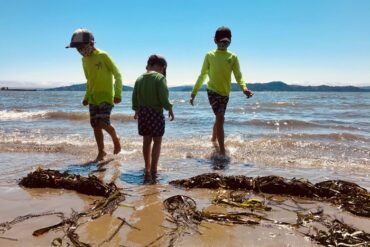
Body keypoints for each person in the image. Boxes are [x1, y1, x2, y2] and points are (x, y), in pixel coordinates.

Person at [190, 26, 253, 156]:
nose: (224, 44)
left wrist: (244, 88)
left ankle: (213, 139)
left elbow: (238, 75)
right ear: (215, 41)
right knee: (220, 117)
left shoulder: (233, 57)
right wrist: (194, 93)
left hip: (225, 93)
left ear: (230, 41)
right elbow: (202, 75)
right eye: (221, 41)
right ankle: (222, 151)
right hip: (212, 91)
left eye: (227, 42)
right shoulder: (210, 55)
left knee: (220, 119)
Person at [66, 28, 122, 162]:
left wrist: (118, 93)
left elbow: (117, 74)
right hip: (93, 97)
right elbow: (89, 80)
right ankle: (101, 152)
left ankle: (115, 138)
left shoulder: (103, 55)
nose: (79, 51)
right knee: (95, 125)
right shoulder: (84, 61)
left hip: (106, 95)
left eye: (81, 47)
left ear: (91, 44)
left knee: (102, 122)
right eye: (77, 49)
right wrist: (86, 97)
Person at [132, 54, 174, 181]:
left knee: (146, 141)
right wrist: (169, 108)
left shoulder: (139, 78)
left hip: (143, 113)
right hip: (155, 113)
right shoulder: (160, 78)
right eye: (163, 69)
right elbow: (163, 97)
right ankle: (154, 168)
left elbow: (135, 96)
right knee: (157, 142)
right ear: (161, 67)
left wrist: (136, 110)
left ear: (149, 65)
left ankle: (147, 167)